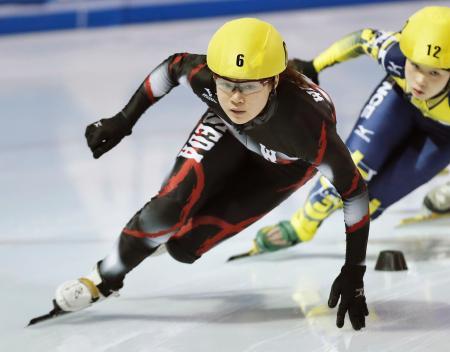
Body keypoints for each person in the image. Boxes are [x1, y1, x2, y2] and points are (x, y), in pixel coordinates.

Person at [50, 18, 370, 330]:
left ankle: (161, 241)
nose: (235, 98)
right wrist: (123, 120)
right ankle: (103, 279)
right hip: (227, 130)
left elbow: (354, 192)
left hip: (282, 166)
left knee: (184, 247)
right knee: (167, 210)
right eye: (227, 84)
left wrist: (354, 272)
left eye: (248, 87)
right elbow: (171, 67)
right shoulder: (207, 79)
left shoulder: (307, 129)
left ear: (273, 82)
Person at [241, 7, 450, 257]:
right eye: (415, 66)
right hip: (398, 103)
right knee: (347, 173)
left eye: (434, 73)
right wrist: (314, 65)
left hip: (442, 136)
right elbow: (362, 39)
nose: (419, 81)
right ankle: (301, 226)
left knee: (369, 203)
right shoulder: (395, 54)